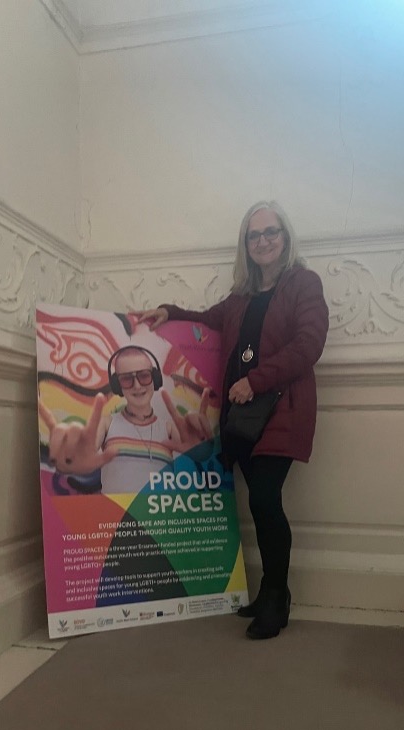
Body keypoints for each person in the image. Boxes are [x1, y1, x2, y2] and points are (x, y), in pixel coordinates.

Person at [138, 201, 329, 640]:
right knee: (259, 506)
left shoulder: (304, 283)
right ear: (246, 244)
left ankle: (277, 597)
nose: (263, 241)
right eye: (254, 235)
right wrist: (170, 312)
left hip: (282, 409)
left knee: (264, 499)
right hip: (242, 417)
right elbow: (207, 321)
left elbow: (309, 344)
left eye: (270, 232)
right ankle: (270, 592)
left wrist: (254, 381)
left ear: (285, 237)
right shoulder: (242, 297)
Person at [39, 345, 214, 495]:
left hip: (161, 521)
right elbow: (82, 454)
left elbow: (203, 457)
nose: (137, 385)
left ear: (155, 378)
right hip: (117, 519)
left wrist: (202, 448)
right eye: (127, 379)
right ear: (117, 385)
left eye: (144, 376)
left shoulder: (169, 428)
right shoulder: (107, 424)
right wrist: (72, 457)